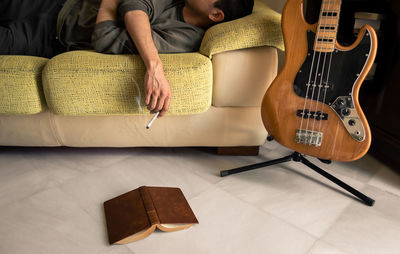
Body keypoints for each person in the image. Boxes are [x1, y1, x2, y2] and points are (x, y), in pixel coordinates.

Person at [0, 0, 254, 116]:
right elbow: (133, 4)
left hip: (48, 35)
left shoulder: (183, 38)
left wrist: (154, 66)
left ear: (216, 15)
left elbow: (106, 37)